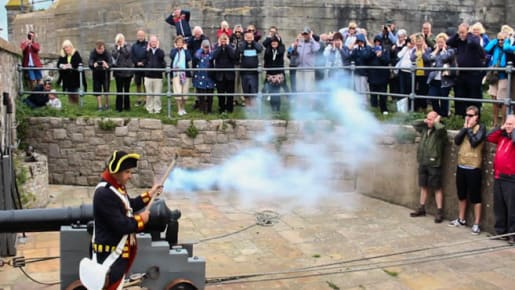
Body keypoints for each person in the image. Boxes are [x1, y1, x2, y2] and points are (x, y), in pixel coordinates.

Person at [92, 150, 162, 290]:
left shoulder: (116, 188)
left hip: (118, 253)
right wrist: (141, 220)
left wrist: (151, 193)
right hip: (110, 255)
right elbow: (122, 225)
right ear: (116, 172)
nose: (130, 176)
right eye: (127, 172)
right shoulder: (104, 193)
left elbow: (130, 205)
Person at [449, 106, 486, 234]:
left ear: (477, 117)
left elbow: (475, 142)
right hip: (461, 165)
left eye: (470, 115)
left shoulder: (481, 128)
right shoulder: (466, 128)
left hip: (474, 167)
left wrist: (469, 129)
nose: (467, 117)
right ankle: (461, 219)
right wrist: (465, 128)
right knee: (461, 194)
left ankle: (476, 223)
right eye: (467, 115)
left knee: (475, 197)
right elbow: (457, 141)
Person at [410, 111, 447, 223]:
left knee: (437, 187)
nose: (428, 121)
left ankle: (439, 211)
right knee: (423, 186)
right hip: (423, 161)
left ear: (437, 119)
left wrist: (436, 122)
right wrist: (425, 120)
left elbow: (441, 129)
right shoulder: (425, 129)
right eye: (428, 118)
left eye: (431, 119)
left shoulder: (440, 130)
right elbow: (414, 123)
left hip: (434, 163)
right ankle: (421, 208)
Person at [446, 23, 485, 116]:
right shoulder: (458, 40)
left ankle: (475, 117)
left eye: (463, 32)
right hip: (461, 73)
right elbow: (449, 42)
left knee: (473, 96)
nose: (461, 35)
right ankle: (460, 116)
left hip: (473, 74)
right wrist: (458, 34)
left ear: (468, 31)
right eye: (460, 33)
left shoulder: (474, 38)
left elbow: (473, 43)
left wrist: (468, 35)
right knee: (459, 95)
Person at [487, 115, 515, 244]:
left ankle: (512, 234)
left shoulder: (512, 138)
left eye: (511, 124)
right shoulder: (502, 136)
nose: (508, 126)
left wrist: (512, 131)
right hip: (499, 176)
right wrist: (501, 127)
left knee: (512, 208)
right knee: (499, 206)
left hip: (511, 178)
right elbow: (490, 137)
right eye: (507, 123)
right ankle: (500, 231)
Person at [424, 33, 455, 117]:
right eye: (438, 42)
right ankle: (436, 113)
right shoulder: (435, 51)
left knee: (443, 98)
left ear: (445, 42)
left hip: (445, 80)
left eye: (441, 42)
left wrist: (443, 50)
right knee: (433, 97)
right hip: (434, 79)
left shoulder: (450, 50)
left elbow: (445, 58)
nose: (440, 44)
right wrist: (436, 50)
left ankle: (444, 115)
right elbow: (429, 58)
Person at [291, 27, 320, 107]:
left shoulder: (314, 42)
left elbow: (316, 49)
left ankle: (310, 107)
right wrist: (295, 47)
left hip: (309, 69)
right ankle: (299, 107)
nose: (305, 35)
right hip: (299, 69)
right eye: (304, 34)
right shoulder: (300, 42)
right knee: (299, 88)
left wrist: (311, 38)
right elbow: (293, 54)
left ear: (310, 34)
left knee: (309, 89)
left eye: (306, 34)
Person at [485, 32, 509, 127]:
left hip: (503, 75)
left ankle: (503, 121)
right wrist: (496, 40)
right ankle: (494, 121)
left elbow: (507, 48)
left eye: (502, 40)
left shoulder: (508, 47)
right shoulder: (495, 46)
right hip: (494, 75)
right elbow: (486, 49)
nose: (500, 41)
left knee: (502, 100)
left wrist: (505, 41)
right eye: (498, 39)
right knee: (494, 98)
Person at [212, 33, 237, 114]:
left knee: (230, 93)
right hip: (220, 74)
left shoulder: (231, 47)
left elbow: (233, 56)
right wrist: (220, 47)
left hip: (229, 74)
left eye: (225, 39)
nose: (223, 41)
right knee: (221, 93)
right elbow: (214, 56)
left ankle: (230, 108)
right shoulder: (216, 47)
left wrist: (227, 46)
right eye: (222, 39)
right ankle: (221, 108)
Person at [238, 29, 263, 108]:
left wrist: (253, 41)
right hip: (244, 71)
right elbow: (240, 50)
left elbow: (260, 49)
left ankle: (254, 107)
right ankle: (248, 107)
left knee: (253, 89)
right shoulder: (242, 44)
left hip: (253, 72)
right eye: (247, 37)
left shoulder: (255, 44)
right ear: (245, 38)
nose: (249, 38)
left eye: (250, 37)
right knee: (246, 90)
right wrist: (246, 42)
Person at [57, 39, 85, 105]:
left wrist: (71, 65)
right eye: (64, 48)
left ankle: (77, 107)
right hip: (67, 77)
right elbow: (58, 64)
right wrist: (62, 65)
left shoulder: (76, 53)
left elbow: (79, 62)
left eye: (67, 47)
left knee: (75, 93)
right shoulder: (63, 55)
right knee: (69, 93)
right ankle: (71, 107)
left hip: (74, 77)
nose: (66, 49)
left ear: (70, 46)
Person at [367, 35, 391, 114]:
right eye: (376, 42)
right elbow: (366, 58)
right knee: (373, 94)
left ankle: (383, 109)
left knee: (383, 95)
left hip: (382, 77)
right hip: (372, 76)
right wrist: (373, 52)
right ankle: (374, 109)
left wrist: (381, 55)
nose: (377, 43)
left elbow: (387, 61)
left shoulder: (385, 50)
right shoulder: (370, 50)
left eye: (379, 42)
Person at [144, 35, 166, 114]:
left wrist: (158, 49)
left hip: (158, 76)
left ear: (157, 42)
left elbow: (162, 58)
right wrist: (147, 50)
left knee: (157, 95)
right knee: (149, 94)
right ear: (149, 42)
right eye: (152, 41)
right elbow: (144, 60)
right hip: (148, 76)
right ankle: (149, 108)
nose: (153, 43)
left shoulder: (160, 51)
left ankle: (157, 108)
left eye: (155, 41)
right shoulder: (147, 51)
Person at [170, 36, 192, 116]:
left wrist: (185, 49)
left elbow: (189, 58)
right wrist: (176, 49)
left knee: (184, 93)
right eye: (178, 42)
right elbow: (171, 56)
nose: (179, 44)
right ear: (175, 43)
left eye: (181, 42)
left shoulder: (186, 51)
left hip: (185, 74)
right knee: (178, 92)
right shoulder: (174, 51)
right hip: (176, 73)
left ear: (183, 43)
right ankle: (179, 109)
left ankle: (183, 108)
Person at [112, 33, 134, 112]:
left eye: (120, 40)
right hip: (118, 72)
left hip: (127, 72)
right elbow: (114, 56)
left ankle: (127, 107)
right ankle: (119, 107)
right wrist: (117, 49)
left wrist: (121, 47)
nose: (119, 42)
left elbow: (127, 54)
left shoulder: (128, 46)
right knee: (119, 90)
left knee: (126, 90)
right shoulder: (115, 47)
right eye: (118, 41)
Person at [263, 36, 286, 112]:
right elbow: (265, 61)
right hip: (270, 74)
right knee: (270, 91)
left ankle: (278, 109)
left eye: (275, 42)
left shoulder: (281, 49)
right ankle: (273, 108)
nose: (274, 43)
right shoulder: (268, 50)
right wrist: (269, 38)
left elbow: (282, 48)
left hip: (278, 74)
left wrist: (278, 38)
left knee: (276, 92)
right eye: (272, 42)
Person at [410, 33, 432, 111]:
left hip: (424, 73)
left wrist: (422, 52)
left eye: (420, 41)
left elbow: (428, 59)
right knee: (415, 90)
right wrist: (416, 52)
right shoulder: (414, 50)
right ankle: (415, 107)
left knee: (423, 90)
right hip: (416, 73)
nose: (419, 43)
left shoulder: (428, 49)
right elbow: (412, 58)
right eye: (417, 41)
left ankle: (423, 107)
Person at [193, 39, 215, 114]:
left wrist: (210, 49)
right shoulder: (199, 53)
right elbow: (196, 56)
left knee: (210, 95)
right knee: (201, 94)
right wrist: (201, 49)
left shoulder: (211, 54)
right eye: (204, 47)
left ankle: (209, 109)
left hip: (209, 77)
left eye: (207, 47)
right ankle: (202, 109)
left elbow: (213, 56)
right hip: (200, 77)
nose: (206, 48)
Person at [88, 40, 112, 111]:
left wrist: (106, 65)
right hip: (96, 74)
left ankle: (107, 105)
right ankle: (100, 106)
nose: (100, 51)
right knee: (97, 90)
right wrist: (93, 64)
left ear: (103, 47)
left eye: (101, 49)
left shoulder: (107, 53)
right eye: (98, 49)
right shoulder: (93, 52)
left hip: (105, 74)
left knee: (106, 90)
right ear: (96, 48)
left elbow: (111, 63)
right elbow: (90, 62)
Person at [131, 30, 148, 107]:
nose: (140, 37)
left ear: (144, 36)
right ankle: (139, 99)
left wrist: (143, 62)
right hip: (137, 67)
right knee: (138, 84)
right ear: (137, 36)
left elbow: (148, 55)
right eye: (139, 35)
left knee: (145, 84)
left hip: (145, 67)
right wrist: (136, 62)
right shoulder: (134, 45)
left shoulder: (147, 44)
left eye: (142, 35)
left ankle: (146, 99)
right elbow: (132, 56)